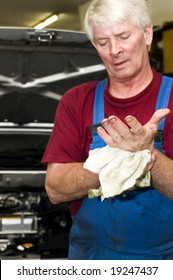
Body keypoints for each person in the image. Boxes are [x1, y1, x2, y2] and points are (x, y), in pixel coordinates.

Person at [42, 0, 173, 260]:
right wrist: (117, 159)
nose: (114, 50)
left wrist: (146, 157)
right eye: (103, 42)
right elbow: (55, 189)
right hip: (92, 260)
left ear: (147, 34)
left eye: (123, 36)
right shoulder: (76, 101)